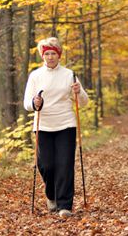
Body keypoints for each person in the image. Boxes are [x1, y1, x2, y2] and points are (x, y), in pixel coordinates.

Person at [23, 37, 88, 218]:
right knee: (47, 165)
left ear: (59, 55)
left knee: (65, 165)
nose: (50, 57)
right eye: (47, 54)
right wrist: (34, 102)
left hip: (66, 124)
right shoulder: (35, 76)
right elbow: (27, 104)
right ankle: (51, 195)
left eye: (53, 53)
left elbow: (83, 102)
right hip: (43, 125)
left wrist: (78, 92)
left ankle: (64, 205)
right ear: (42, 56)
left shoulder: (69, 75)